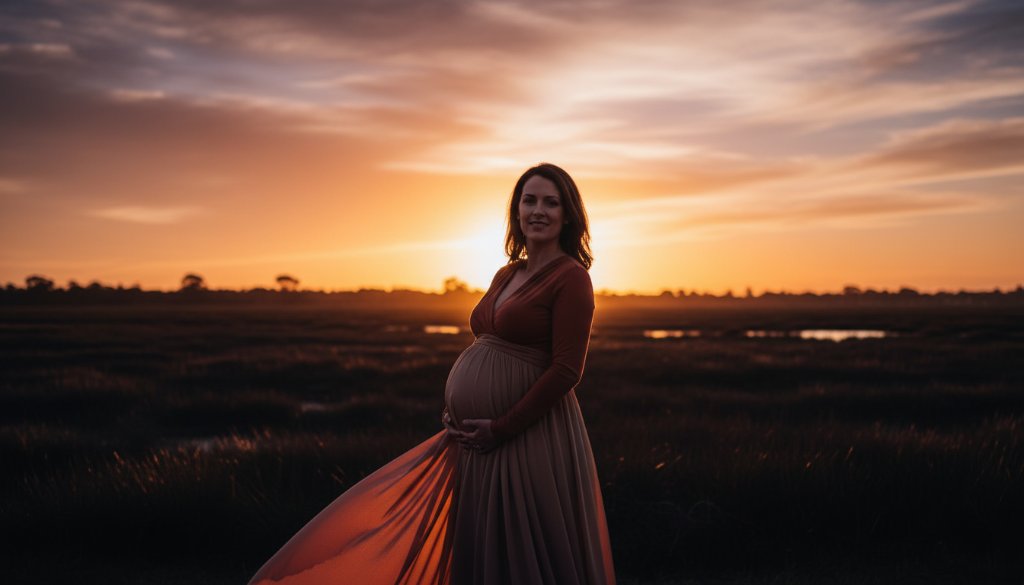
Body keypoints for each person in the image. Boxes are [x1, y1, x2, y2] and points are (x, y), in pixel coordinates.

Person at [247, 163, 616, 585]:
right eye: (529, 200)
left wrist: (502, 427)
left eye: (551, 203)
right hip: (475, 438)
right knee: (479, 541)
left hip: (526, 436)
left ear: (568, 215)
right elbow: (489, 344)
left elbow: (567, 370)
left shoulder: (572, 279)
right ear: (516, 210)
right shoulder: (508, 273)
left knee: (521, 547)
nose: (538, 211)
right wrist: (457, 409)